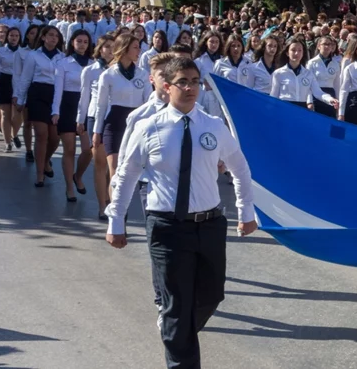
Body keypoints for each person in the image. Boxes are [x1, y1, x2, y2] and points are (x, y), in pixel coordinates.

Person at [105, 56, 257, 368]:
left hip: (210, 224)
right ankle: (178, 341)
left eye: (195, 82)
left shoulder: (213, 127)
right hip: (167, 227)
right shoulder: (148, 128)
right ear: (166, 86)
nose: (190, 88)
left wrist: (245, 212)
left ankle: (176, 328)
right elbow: (126, 175)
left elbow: (240, 168)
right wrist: (115, 221)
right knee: (177, 305)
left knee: (211, 296)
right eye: (183, 82)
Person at [95, 34, 153, 180]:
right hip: (114, 123)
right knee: (115, 172)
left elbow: (149, 102)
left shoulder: (142, 74)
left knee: (129, 173)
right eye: (135, 47)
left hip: (136, 125)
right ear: (124, 49)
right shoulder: (108, 74)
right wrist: (97, 131)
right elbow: (101, 105)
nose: (139, 50)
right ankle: (111, 202)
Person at [15, 25, 66, 187]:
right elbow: (25, 78)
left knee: (55, 137)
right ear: (43, 37)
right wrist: (21, 99)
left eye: (56, 36)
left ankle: (45, 160)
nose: (53, 38)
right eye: (50, 35)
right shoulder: (33, 55)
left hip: (56, 95)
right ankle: (39, 175)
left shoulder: (62, 57)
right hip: (37, 93)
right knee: (41, 134)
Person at [52, 29, 93, 202]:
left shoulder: (93, 64)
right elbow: (58, 90)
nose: (82, 44)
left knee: (88, 150)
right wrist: (55, 111)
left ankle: (78, 176)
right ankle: (69, 186)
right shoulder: (63, 63)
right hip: (68, 105)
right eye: (79, 41)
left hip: (86, 107)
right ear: (72, 42)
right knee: (69, 149)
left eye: (85, 41)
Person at [77, 34, 115, 219]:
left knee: (113, 165)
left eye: (114, 46)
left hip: (115, 118)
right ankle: (102, 205)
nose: (111, 50)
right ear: (100, 49)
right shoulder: (90, 71)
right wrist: (80, 120)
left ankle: (111, 200)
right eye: (107, 46)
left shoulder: (120, 71)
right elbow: (84, 98)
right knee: (100, 164)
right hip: (94, 117)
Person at [272, 38, 339, 111]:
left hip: (302, 110)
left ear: (303, 53)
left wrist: (330, 100)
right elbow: (273, 97)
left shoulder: (308, 74)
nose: (296, 53)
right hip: (284, 109)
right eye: (293, 50)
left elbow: (318, 92)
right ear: (287, 53)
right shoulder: (278, 73)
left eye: (300, 50)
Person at [0, 25, 22, 151]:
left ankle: (14, 134)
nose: (14, 38)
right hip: (4, 81)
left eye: (16, 36)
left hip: (18, 83)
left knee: (18, 114)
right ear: (7, 37)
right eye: (11, 35)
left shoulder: (24, 52)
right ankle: (8, 142)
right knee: (5, 113)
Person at [305, 36, 341, 119]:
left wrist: (338, 101)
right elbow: (308, 85)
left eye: (329, 44)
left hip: (331, 96)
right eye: (325, 44)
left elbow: (337, 85)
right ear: (318, 46)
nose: (327, 47)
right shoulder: (312, 63)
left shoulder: (335, 64)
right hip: (316, 95)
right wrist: (309, 101)